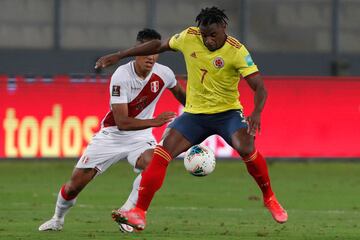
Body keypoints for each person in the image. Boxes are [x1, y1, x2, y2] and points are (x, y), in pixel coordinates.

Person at [95, 6, 288, 231]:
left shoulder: (237, 51)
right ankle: (139, 212)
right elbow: (158, 46)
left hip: (226, 114)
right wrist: (119, 55)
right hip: (195, 115)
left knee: (245, 145)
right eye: (204, 35)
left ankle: (269, 197)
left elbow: (260, 87)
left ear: (224, 28)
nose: (207, 40)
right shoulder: (189, 36)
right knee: (162, 153)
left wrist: (256, 112)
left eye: (213, 35)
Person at [38, 28, 186, 233]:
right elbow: (122, 122)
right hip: (112, 136)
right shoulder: (121, 75)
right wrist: (155, 121)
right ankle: (57, 219)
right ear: (136, 51)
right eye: (146, 52)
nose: (151, 57)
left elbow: (183, 96)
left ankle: (127, 212)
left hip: (141, 138)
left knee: (154, 163)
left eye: (155, 52)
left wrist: (199, 113)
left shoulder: (165, 73)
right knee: (74, 186)